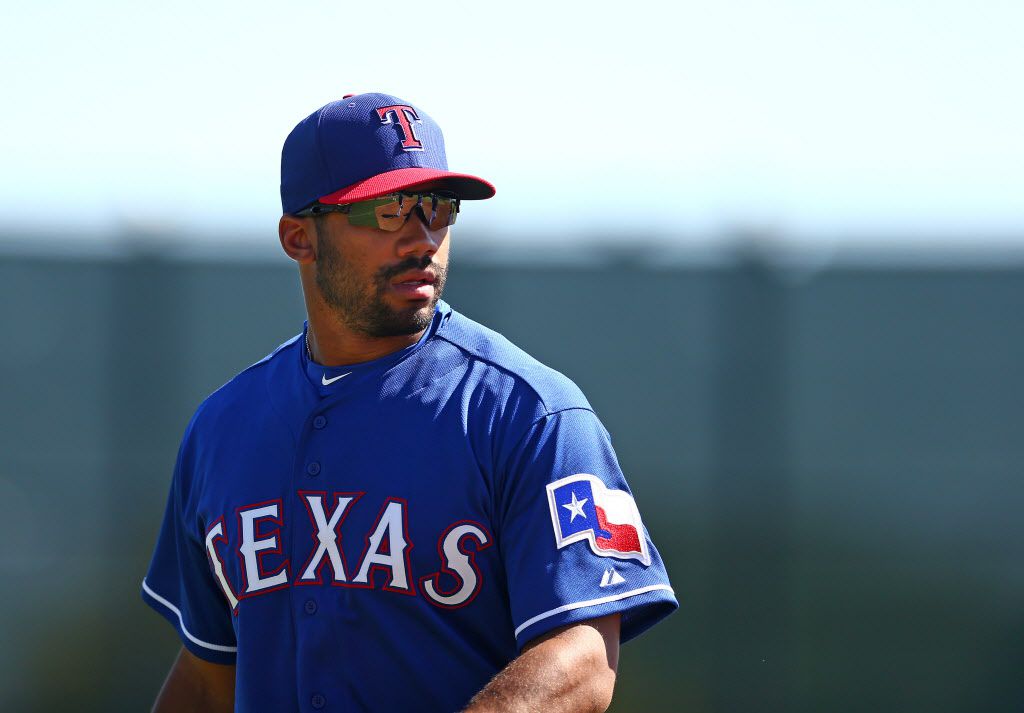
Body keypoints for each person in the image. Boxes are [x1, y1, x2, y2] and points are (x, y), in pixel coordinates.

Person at [141, 92, 677, 713]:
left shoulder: (528, 413)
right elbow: (210, 674)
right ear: (299, 237)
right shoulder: (222, 428)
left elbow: (582, 659)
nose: (422, 237)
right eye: (389, 210)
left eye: (437, 208)